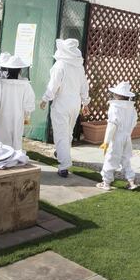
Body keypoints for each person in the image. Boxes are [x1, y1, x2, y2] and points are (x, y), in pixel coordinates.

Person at [39, 38, 90, 177]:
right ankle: (61, 152)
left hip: (62, 102)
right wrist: (85, 103)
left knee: (61, 133)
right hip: (75, 102)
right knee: (68, 132)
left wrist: (45, 99)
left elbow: (53, 85)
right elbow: (84, 86)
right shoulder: (79, 66)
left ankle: (64, 165)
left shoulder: (60, 65)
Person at [96, 80, 138, 190]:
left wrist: (106, 141)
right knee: (126, 159)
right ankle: (131, 181)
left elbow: (112, 126)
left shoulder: (114, 107)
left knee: (111, 158)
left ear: (118, 95)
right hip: (127, 137)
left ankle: (106, 183)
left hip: (116, 137)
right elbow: (134, 122)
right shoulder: (131, 108)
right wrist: (128, 133)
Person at [0, 55, 36, 151]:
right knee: (16, 139)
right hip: (18, 115)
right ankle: (15, 157)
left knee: (0, 139)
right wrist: (27, 116)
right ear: (20, 70)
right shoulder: (25, 85)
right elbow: (29, 102)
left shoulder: (1, 83)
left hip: (2, 115)